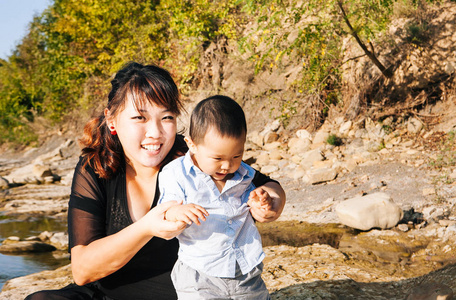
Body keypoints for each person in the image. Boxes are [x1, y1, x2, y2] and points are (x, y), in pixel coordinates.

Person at [25, 62, 285, 300]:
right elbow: (82, 271)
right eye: (140, 117)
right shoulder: (96, 167)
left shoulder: (192, 157)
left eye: (167, 118)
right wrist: (146, 227)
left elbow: (265, 184)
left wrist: (269, 204)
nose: (155, 133)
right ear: (112, 120)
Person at [158, 95, 278, 299]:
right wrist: (178, 211)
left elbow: (265, 193)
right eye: (218, 158)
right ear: (192, 145)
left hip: (245, 270)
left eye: (236, 156)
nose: (227, 165)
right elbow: (164, 211)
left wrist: (262, 200)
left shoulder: (244, 173)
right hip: (200, 272)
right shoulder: (176, 173)